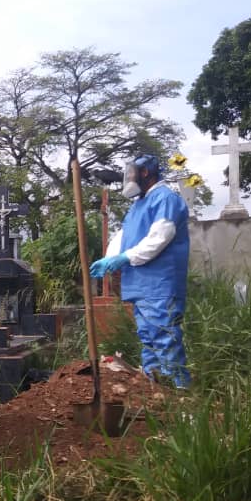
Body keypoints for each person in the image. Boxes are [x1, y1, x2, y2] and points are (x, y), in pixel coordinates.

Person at [90, 154, 191, 388]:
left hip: (159, 283)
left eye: (132, 172)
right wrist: (109, 258)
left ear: (145, 172)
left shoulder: (165, 198)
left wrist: (125, 257)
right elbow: (124, 235)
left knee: (164, 337)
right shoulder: (138, 204)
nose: (128, 177)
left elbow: (159, 238)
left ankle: (178, 393)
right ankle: (154, 388)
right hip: (140, 284)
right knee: (148, 338)